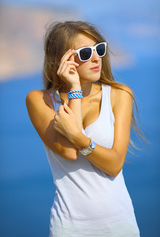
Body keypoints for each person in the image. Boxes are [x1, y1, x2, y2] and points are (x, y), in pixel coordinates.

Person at [26, 21, 142, 237]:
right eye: (86, 53)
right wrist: (75, 89)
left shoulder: (119, 95)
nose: (97, 57)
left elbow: (115, 164)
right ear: (61, 60)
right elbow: (69, 152)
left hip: (121, 224)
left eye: (99, 49)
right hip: (69, 228)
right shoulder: (40, 101)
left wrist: (81, 138)